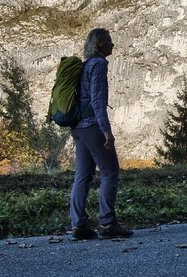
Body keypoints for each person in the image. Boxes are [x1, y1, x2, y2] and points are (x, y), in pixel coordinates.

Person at [70, 28, 133, 240]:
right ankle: (107, 223)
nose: (113, 45)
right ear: (100, 45)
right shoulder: (98, 65)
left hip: (78, 127)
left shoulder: (84, 65)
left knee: (83, 175)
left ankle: (79, 226)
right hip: (92, 126)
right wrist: (107, 131)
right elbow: (98, 101)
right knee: (110, 171)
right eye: (109, 41)